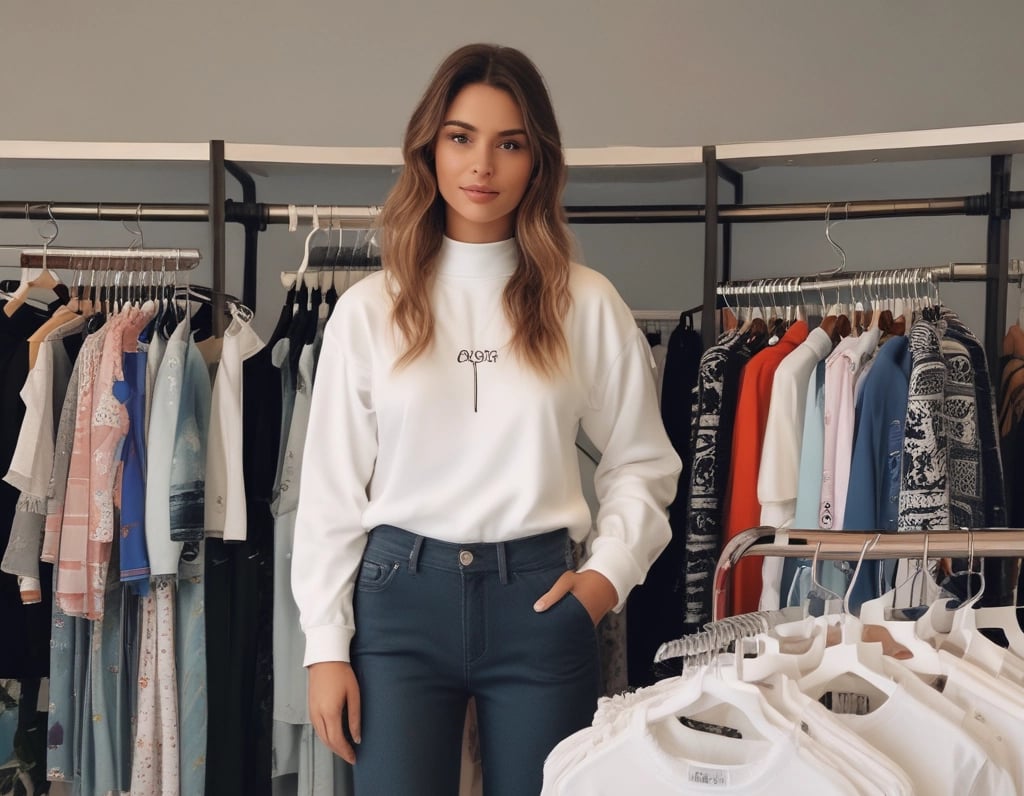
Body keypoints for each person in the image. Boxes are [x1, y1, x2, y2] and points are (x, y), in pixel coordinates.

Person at [292, 43, 681, 795]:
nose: (482, 166)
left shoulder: (585, 302)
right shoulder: (369, 309)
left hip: (538, 602)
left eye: (510, 144)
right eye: (461, 138)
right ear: (429, 148)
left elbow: (644, 463)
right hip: (397, 605)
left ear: (538, 162)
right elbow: (332, 491)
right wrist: (324, 647)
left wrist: (604, 581)